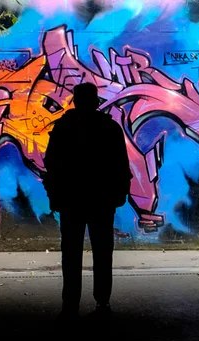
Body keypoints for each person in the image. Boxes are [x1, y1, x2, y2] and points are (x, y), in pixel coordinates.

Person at [43, 82, 132, 322]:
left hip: (71, 200)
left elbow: (52, 164)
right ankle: (102, 300)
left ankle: (70, 303)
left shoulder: (63, 127)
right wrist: (119, 193)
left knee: (71, 253)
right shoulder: (109, 127)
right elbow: (121, 165)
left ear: (75, 101)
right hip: (101, 200)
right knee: (103, 252)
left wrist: (55, 195)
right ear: (95, 101)